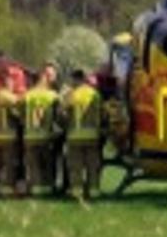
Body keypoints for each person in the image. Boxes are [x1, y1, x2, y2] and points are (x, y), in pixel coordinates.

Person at [61, 67, 106, 200]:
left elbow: (62, 112)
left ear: (76, 79)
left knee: (76, 166)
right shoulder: (95, 94)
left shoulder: (72, 94)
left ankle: (77, 191)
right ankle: (94, 191)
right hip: (93, 136)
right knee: (93, 165)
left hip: (75, 136)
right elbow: (102, 114)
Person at [20, 65, 63, 196]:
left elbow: (21, 113)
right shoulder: (53, 96)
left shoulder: (27, 95)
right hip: (46, 136)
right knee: (48, 165)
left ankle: (35, 189)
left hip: (30, 136)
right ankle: (48, 189)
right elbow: (59, 115)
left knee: (33, 166)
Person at [0, 76, 24, 198]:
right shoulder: (8, 97)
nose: (13, 86)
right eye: (12, 83)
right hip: (8, 135)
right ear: (8, 84)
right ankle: (8, 188)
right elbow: (20, 106)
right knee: (10, 163)